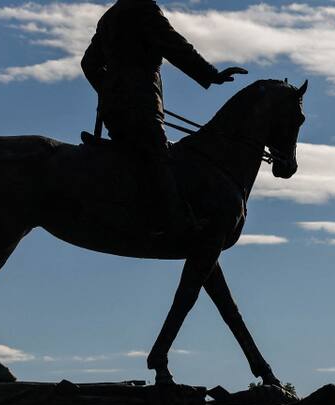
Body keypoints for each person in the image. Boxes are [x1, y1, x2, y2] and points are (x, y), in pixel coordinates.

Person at [80, 0, 247, 237]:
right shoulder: (144, 9)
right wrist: (211, 74)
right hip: (141, 100)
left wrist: (109, 92)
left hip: (114, 108)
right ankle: (174, 220)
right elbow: (175, 46)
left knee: (132, 153)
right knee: (158, 154)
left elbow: (88, 64)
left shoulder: (110, 16)